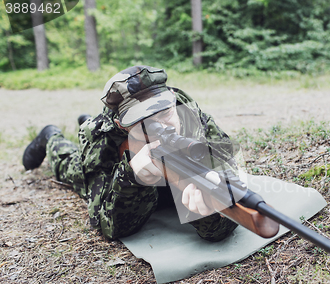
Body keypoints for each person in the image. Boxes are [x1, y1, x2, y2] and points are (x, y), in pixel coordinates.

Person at [22, 65, 238, 241]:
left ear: (173, 98)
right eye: (143, 123)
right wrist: (132, 178)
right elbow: (108, 225)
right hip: (112, 153)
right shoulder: (104, 136)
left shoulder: (196, 120)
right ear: (122, 125)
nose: (162, 128)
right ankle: (50, 136)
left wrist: (208, 214)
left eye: (164, 112)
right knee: (69, 168)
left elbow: (231, 197)